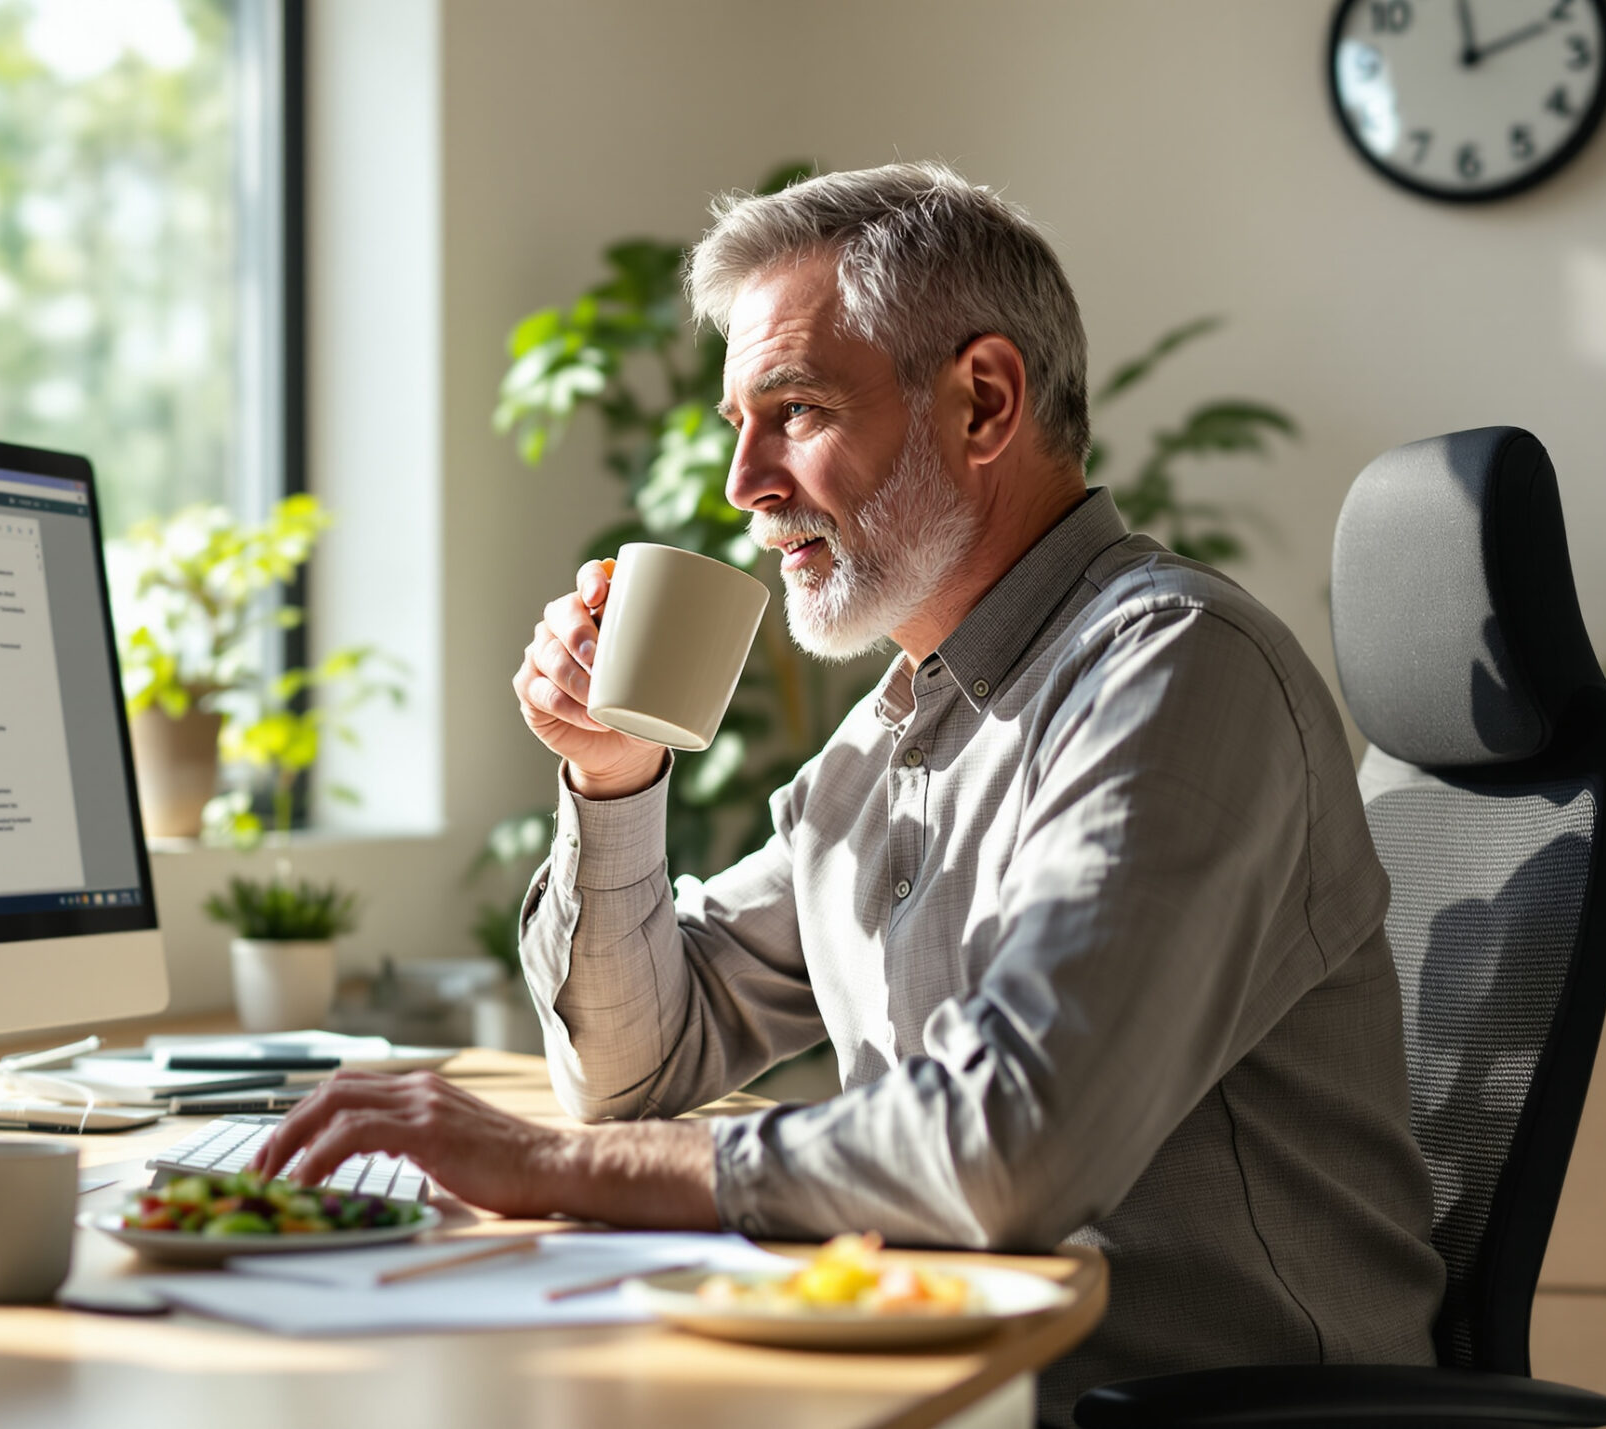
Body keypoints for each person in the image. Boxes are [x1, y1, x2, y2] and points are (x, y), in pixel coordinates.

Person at [252, 161, 1445, 1420]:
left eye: (798, 412)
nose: (743, 488)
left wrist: (552, 1167)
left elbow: (1008, 1149)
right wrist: (615, 781)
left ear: (982, 401)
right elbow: (634, 1068)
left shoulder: (1175, 676)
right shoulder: (892, 736)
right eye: (738, 426)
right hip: (956, 1382)